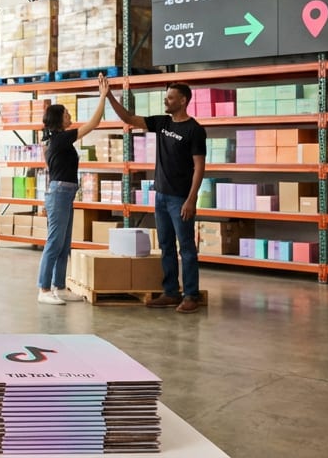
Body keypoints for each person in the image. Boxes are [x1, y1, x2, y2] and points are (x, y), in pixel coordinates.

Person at [104, 82, 206, 313]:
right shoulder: (162, 122)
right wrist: (109, 95)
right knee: (166, 246)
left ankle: (191, 295)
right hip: (160, 196)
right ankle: (171, 292)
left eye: (170, 98)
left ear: (183, 101)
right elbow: (129, 119)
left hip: (181, 199)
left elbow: (199, 167)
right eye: (166, 97)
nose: (165, 100)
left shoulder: (194, 130)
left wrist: (191, 199)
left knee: (187, 248)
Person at [36, 75, 109, 305]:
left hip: (64, 193)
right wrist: (102, 97)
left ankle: (59, 286)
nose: (70, 116)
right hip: (59, 193)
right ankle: (44, 289)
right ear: (59, 119)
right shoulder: (60, 139)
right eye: (66, 113)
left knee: (64, 243)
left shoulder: (55, 141)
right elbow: (93, 124)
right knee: (54, 242)